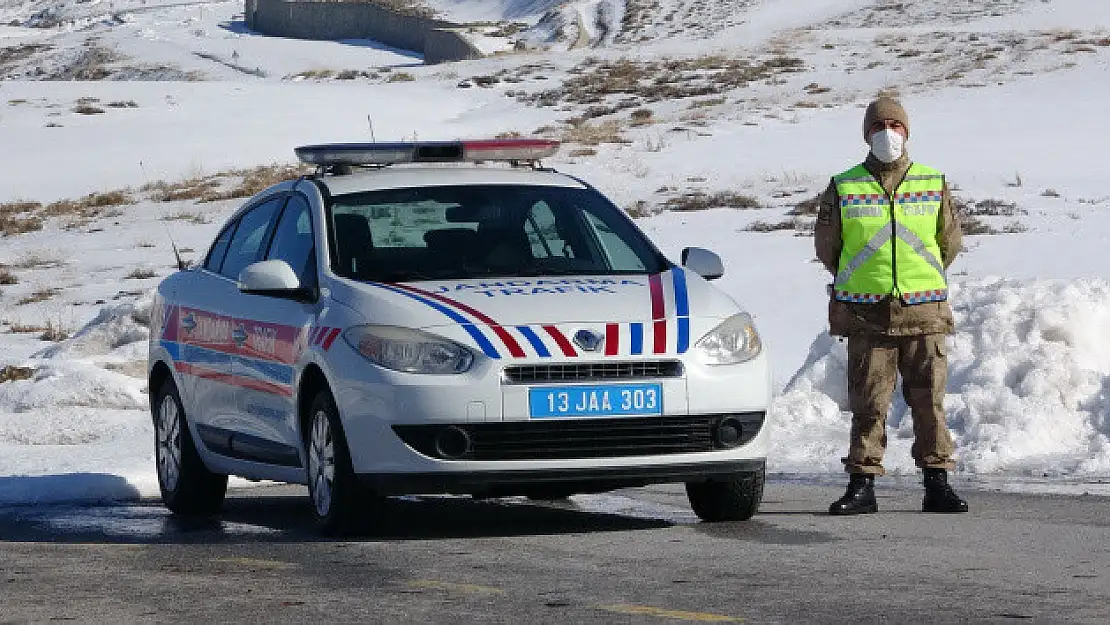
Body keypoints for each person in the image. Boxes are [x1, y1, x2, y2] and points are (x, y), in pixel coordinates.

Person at [814, 96, 969, 515]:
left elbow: (948, 243)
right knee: (868, 403)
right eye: (879, 125)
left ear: (907, 132)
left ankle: (938, 484)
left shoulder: (932, 183)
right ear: (867, 133)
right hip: (869, 315)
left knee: (929, 403)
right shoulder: (844, 186)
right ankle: (862, 484)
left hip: (924, 314)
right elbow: (829, 247)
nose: (888, 132)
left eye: (895, 125)